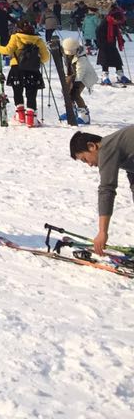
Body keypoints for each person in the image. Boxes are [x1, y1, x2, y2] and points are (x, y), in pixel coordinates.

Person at [69, 126, 134, 257]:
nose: (90, 164)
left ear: (92, 146)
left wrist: (102, 231)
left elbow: (107, 189)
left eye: (85, 159)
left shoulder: (106, 149)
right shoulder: (119, 145)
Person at [0, 19, 49, 127]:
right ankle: (31, 119)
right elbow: (46, 57)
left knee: (18, 92)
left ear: (18, 28)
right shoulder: (38, 40)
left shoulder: (16, 37)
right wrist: (35, 61)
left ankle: (20, 116)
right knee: (31, 94)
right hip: (33, 71)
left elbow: (8, 50)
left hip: (17, 68)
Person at [59, 36, 95, 126]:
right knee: (66, 91)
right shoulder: (66, 50)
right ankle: (71, 111)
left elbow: (80, 73)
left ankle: (84, 116)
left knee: (75, 93)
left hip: (84, 77)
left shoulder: (81, 58)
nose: (68, 54)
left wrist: (75, 85)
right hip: (73, 75)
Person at [96, 6, 131, 86]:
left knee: (117, 60)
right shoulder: (104, 23)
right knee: (105, 61)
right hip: (104, 45)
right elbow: (97, 32)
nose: (118, 22)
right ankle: (105, 76)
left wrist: (121, 39)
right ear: (113, 18)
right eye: (117, 20)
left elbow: (116, 32)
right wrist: (100, 44)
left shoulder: (114, 23)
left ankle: (120, 75)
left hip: (111, 44)